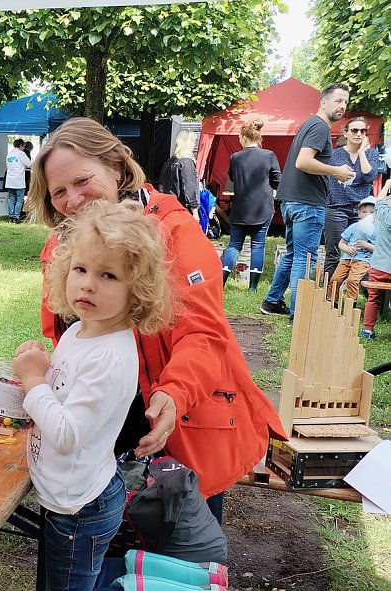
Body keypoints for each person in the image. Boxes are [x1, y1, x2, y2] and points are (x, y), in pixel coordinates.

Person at [27, 117, 286, 523]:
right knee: (111, 554)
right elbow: (63, 333)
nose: (73, 200)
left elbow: (201, 332)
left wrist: (174, 392)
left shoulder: (172, 232)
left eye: (82, 181)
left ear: (115, 167)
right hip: (105, 431)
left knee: (181, 567)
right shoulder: (63, 246)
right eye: (59, 191)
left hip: (178, 424)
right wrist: (33, 384)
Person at [13, 200, 229, 591]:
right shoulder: (81, 329)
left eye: (108, 275)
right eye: (80, 269)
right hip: (77, 491)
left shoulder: (110, 355)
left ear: (139, 291)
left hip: (79, 505)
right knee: (91, 571)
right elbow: (65, 393)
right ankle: (189, 580)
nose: (87, 285)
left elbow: (68, 434)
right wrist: (35, 380)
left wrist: (34, 382)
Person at [260, 83, 355, 318]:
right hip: (306, 203)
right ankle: (298, 313)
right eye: (338, 101)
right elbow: (303, 162)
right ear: (323, 102)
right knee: (305, 257)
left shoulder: (311, 124)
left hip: (293, 200)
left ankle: (272, 302)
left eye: (345, 101)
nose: (342, 105)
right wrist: (335, 171)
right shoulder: (320, 127)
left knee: (293, 254)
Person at [221, 120, 282, 290]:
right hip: (263, 208)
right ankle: (253, 287)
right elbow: (278, 180)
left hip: (240, 208)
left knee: (234, 245)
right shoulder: (269, 155)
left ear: (244, 137)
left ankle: (221, 282)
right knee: (258, 245)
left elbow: (232, 178)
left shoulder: (235, 157)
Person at [323, 117, 379, 277]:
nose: (359, 134)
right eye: (354, 130)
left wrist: (361, 152)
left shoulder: (371, 154)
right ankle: (329, 294)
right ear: (345, 133)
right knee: (333, 251)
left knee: (363, 250)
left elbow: (369, 177)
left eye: (363, 131)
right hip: (336, 207)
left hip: (362, 212)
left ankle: (360, 290)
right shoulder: (335, 155)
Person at [359, 179, 391, 340]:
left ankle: (368, 330)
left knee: (373, 298)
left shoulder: (385, 213)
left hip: (379, 266)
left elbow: (378, 201)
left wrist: (386, 185)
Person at [329, 196, 375, 303]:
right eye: (364, 212)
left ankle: (351, 303)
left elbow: (379, 250)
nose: (368, 214)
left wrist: (367, 246)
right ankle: (332, 301)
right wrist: (347, 249)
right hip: (346, 259)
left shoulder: (377, 230)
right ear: (359, 214)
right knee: (335, 279)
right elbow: (341, 243)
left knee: (352, 280)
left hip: (363, 261)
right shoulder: (354, 227)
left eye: (372, 212)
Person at [158, 130, 200, 222]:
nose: (194, 144)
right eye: (193, 141)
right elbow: (189, 187)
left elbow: (161, 186)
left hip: (167, 207)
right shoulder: (187, 163)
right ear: (188, 143)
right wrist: (195, 209)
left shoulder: (169, 162)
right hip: (181, 208)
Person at [5, 138, 31, 223]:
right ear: (20, 146)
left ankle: (11, 216)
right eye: (23, 146)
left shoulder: (9, 154)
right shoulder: (21, 153)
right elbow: (29, 164)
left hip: (10, 180)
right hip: (19, 180)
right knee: (19, 199)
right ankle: (16, 217)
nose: (24, 148)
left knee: (11, 198)